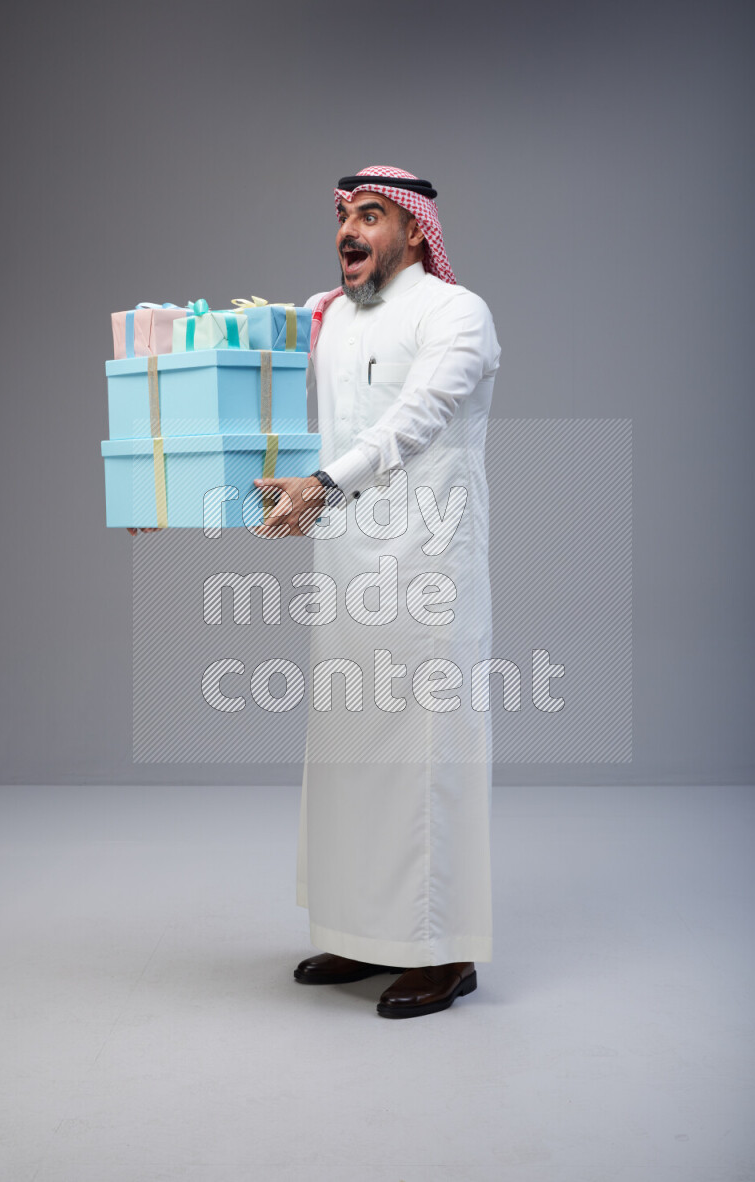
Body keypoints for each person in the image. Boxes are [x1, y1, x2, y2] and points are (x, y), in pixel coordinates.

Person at [253, 166, 501, 1019]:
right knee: (351, 753)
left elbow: (417, 418)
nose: (348, 231)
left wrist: (324, 484)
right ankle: (365, 934)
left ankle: (444, 952)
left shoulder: (455, 313)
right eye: (343, 215)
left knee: (425, 756)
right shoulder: (324, 316)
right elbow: (256, 403)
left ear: (415, 230)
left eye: (370, 215)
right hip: (344, 565)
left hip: (429, 568)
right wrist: (163, 496)